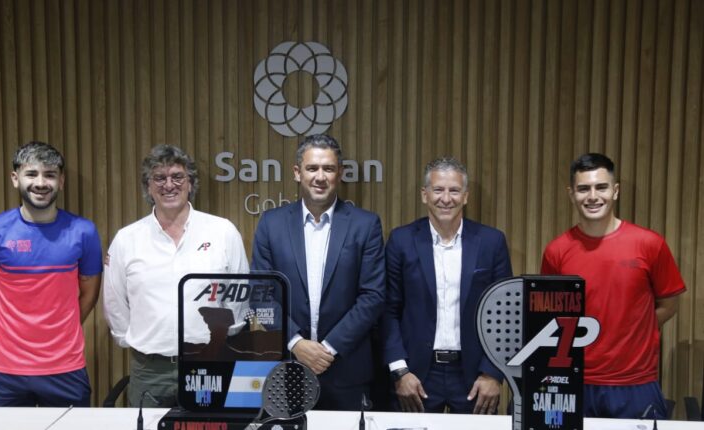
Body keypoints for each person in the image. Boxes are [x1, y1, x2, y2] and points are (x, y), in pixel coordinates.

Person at [541, 153, 686, 419]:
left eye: (601, 187)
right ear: (571, 194)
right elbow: (551, 317)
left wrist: (634, 332)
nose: (593, 196)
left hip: (636, 383)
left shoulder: (650, 244)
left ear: (615, 191)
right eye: (583, 189)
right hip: (573, 380)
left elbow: (669, 304)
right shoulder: (556, 251)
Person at [103, 144, 249, 407]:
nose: (169, 185)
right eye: (159, 178)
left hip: (208, 364)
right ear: (148, 187)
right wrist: (136, 340)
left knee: (209, 426)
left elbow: (238, 295)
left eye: (177, 177)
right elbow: (115, 303)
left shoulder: (223, 232)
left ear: (190, 183)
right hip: (150, 369)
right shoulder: (127, 239)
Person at [251, 134, 385, 410]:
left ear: (340, 173)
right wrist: (296, 343)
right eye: (312, 168)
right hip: (287, 367)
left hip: (347, 369)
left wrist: (328, 348)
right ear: (297, 172)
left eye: (328, 169)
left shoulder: (366, 224)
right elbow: (259, 295)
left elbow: (373, 296)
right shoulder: (271, 223)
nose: (320, 177)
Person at [0, 141, 102, 407]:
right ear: (15, 178)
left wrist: (61, 331)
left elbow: (89, 296)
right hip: (5, 372)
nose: (41, 183)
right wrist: (13, 332)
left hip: (66, 368)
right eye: (32, 174)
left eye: (49, 175)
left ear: (61, 181)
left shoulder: (84, 232)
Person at [381, 157, 512, 414]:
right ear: (425, 194)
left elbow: (506, 313)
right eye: (438, 190)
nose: (446, 198)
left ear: (465, 196)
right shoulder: (401, 240)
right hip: (416, 375)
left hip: (475, 376)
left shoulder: (491, 242)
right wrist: (400, 371)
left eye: (454, 190)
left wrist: (492, 373)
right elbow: (388, 310)